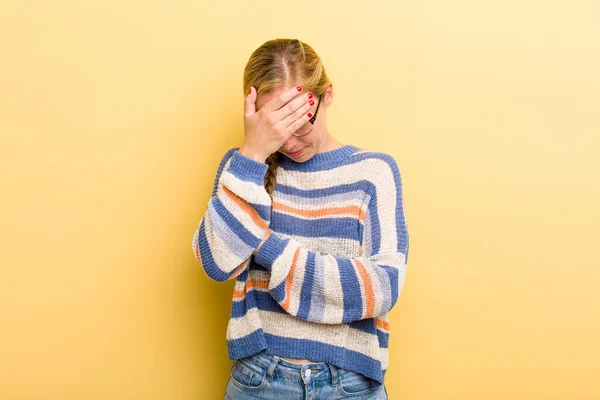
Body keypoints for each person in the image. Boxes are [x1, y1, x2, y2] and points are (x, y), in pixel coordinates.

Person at [191, 38, 409, 399]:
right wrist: (254, 151)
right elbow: (216, 262)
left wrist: (267, 246)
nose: (290, 142)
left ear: (328, 97)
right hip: (258, 380)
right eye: (276, 125)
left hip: (350, 385)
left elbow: (382, 287)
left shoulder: (374, 172)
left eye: (302, 122)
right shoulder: (244, 168)